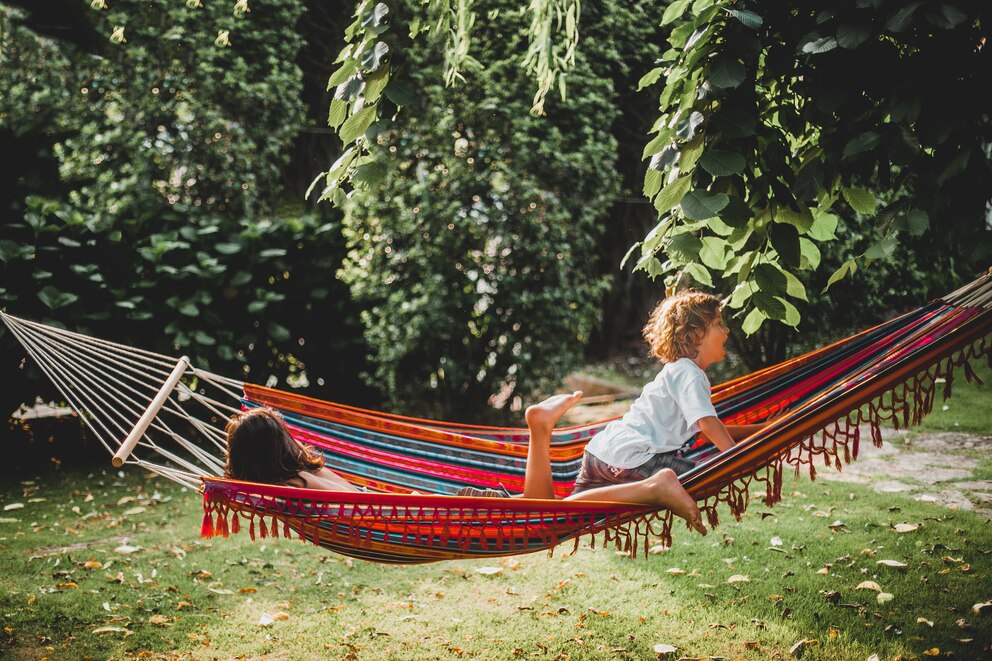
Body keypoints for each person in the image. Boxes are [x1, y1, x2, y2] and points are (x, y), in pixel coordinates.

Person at [225, 397, 708, 535]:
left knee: (554, 511)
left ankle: (654, 487)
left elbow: (356, 511)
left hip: (432, 516)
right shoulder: (306, 476)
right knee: (546, 508)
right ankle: (538, 430)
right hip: (431, 509)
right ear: (280, 444)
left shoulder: (295, 487)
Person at [572, 290, 772, 495]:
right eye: (718, 323)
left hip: (600, 454)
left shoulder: (677, 371)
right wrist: (737, 459)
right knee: (703, 480)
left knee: (576, 509)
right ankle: (661, 487)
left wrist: (761, 429)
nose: (727, 330)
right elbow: (709, 424)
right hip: (634, 457)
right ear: (696, 336)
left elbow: (708, 433)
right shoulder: (690, 374)